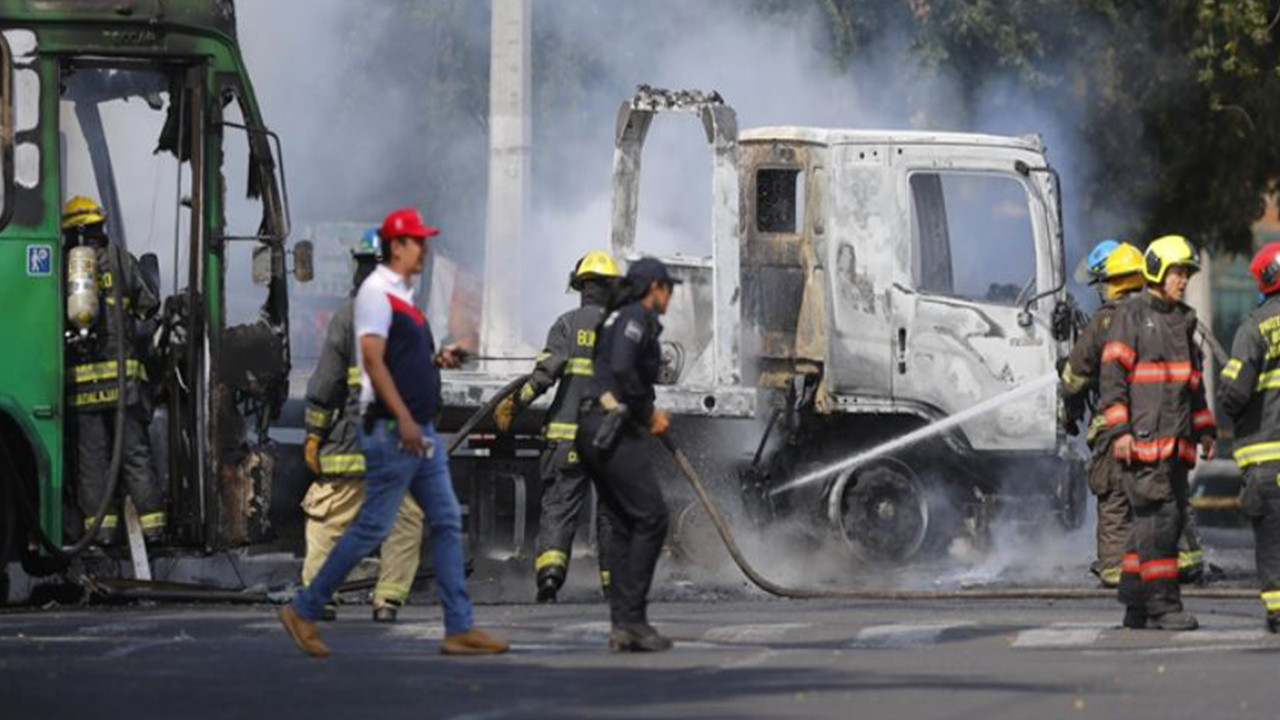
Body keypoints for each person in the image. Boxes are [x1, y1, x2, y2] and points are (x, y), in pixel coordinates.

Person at [279, 208, 508, 658]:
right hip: (389, 429)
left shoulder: (408, 308)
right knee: (373, 525)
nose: (424, 250)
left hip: (415, 431)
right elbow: (369, 366)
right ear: (393, 250)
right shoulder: (368, 303)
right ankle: (305, 607)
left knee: (438, 519)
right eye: (417, 242)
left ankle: (457, 626)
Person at [301, 229, 425, 623]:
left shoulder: (348, 314)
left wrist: (314, 434)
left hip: (352, 442)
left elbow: (326, 382)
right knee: (405, 520)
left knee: (328, 518)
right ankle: (387, 600)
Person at [1099, 234, 1215, 631]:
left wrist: (1205, 430)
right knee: (1160, 523)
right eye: (1178, 272)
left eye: (1185, 273)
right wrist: (1120, 432)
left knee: (1152, 524)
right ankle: (1163, 605)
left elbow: (1193, 384)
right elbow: (1112, 378)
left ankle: (1134, 603)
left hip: (1177, 443)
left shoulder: (1183, 320)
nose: (1183, 280)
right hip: (1144, 444)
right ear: (1157, 272)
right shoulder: (1132, 315)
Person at [494, 251, 621, 603]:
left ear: (580, 287)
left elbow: (544, 377)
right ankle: (614, 587)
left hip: (566, 442)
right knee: (611, 515)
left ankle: (549, 580)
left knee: (559, 509)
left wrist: (515, 403)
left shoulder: (566, 324)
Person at [576, 256, 679, 652]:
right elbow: (621, 368)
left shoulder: (621, 317)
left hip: (598, 426)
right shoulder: (634, 317)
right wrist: (648, 411)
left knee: (623, 523)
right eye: (667, 288)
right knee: (652, 517)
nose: (670, 296)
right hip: (610, 425)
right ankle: (632, 620)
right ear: (654, 287)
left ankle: (623, 625)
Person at [62, 195, 164, 545]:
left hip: (82, 385)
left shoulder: (64, 270)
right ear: (98, 227)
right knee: (135, 455)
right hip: (125, 383)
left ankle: (101, 535)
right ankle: (154, 530)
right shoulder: (121, 260)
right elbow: (150, 302)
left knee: (93, 462)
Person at [1061, 239, 1144, 587]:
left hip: (1113, 425)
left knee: (1113, 499)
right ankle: (1175, 560)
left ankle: (1113, 568)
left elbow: (1074, 378)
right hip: (1158, 423)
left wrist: (1067, 389)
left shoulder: (1104, 323)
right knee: (1158, 496)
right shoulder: (1160, 317)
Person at [1218, 242, 1280, 632]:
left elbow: (1235, 394)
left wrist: (1225, 388)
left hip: (1268, 454)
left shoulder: (1255, 326)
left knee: (1273, 535)